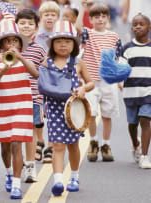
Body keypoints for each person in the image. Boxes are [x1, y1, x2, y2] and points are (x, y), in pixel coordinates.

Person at [41, 20, 94, 197]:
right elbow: (42, 84)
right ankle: (57, 180)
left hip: (74, 111)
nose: (63, 44)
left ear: (74, 44)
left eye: (67, 41)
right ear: (52, 44)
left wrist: (83, 89)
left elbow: (91, 82)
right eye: (58, 41)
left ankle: (74, 176)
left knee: (73, 145)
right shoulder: (46, 63)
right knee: (57, 145)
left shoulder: (78, 63)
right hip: (55, 109)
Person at [0, 19, 39, 199]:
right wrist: (4, 68)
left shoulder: (24, 61)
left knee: (17, 143)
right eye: (8, 41)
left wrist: (21, 58)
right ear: (2, 44)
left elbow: (35, 74)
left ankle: (17, 184)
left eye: (15, 41)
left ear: (20, 43)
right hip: (3, 107)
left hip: (22, 106)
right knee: (5, 148)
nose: (12, 44)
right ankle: (9, 172)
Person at [76, 1, 123, 162]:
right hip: (91, 82)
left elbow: (118, 59)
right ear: (91, 19)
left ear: (108, 18)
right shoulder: (88, 34)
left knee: (107, 115)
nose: (100, 20)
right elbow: (77, 27)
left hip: (108, 81)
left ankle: (106, 144)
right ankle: (93, 142)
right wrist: (83, 8)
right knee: (91, 113)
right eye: (96, 17)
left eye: (103, 16)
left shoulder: (114, 36)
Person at [15, 8, 46, 182]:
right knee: (16, 134)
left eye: (30, 24)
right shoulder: (8, 46)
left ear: (36, 27)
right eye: (22, 23)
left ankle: (31, 165)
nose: (26, 26)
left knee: (31, 132)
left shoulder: (40, 49)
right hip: (13, 96)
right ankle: (17, 166)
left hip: (34, 96)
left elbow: (43, 72)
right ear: (16, 25)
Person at [119, 14, 151, 169]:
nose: (138, 27)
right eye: (135, 24)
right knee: (133, 123)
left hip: (148, 91)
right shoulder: (127, 49)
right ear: (131, 28)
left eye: (142, 24)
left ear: (149, 27)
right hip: (131, 91)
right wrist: (119, 81)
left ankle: (145, 156)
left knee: (145, 120)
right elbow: (120, 69)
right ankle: (135, 144)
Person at [34, 0, 60, 164]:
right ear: (41, 17)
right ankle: (39, 141)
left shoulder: (61, 35)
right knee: (38, 112)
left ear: (58, 17)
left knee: (52, 112)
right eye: (46, 15)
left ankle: (50, 146)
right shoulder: (36, 36)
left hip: (56, 78)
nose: (49, 18)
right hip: (38, 77)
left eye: (53, 15)